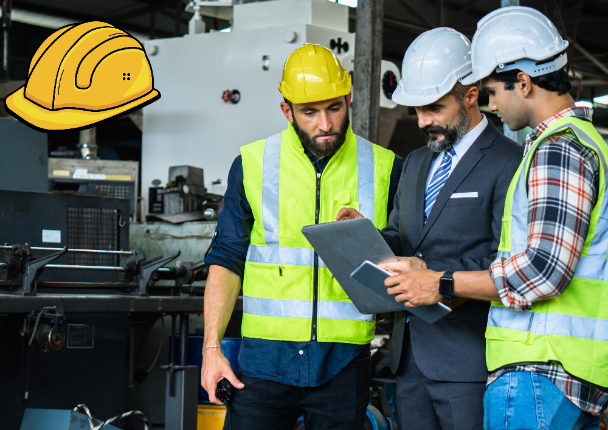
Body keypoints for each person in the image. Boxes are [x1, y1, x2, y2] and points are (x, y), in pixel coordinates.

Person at [381, 7, 608, 430]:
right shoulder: (562, 146)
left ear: (522, 82)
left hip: (540, 366)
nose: (492, 102)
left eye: (492, 91)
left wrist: (440, 281)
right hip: (540, 365)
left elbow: (542, 270)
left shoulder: (555, 151)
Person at [201, 43, 404, 430]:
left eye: (334, 108)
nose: (324, 124)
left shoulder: (385, 168)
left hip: (343, 363)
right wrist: (212, 349)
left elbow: (407, 258)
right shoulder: (252, 165)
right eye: (309, 112)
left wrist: (371, 238)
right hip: (262, 365)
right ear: (287, 111)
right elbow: (226, 260)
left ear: (348, 98)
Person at [339, 27, 522, 430]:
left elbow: (506, 259)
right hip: (408, 357)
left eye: (434, 108)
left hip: (467, 358)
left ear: (471, 95)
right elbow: (398, 237)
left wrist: (431, 273)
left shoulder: (509, 162)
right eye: (416, 110)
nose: (422, 121)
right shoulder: (417, 162)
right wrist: (365, 236)